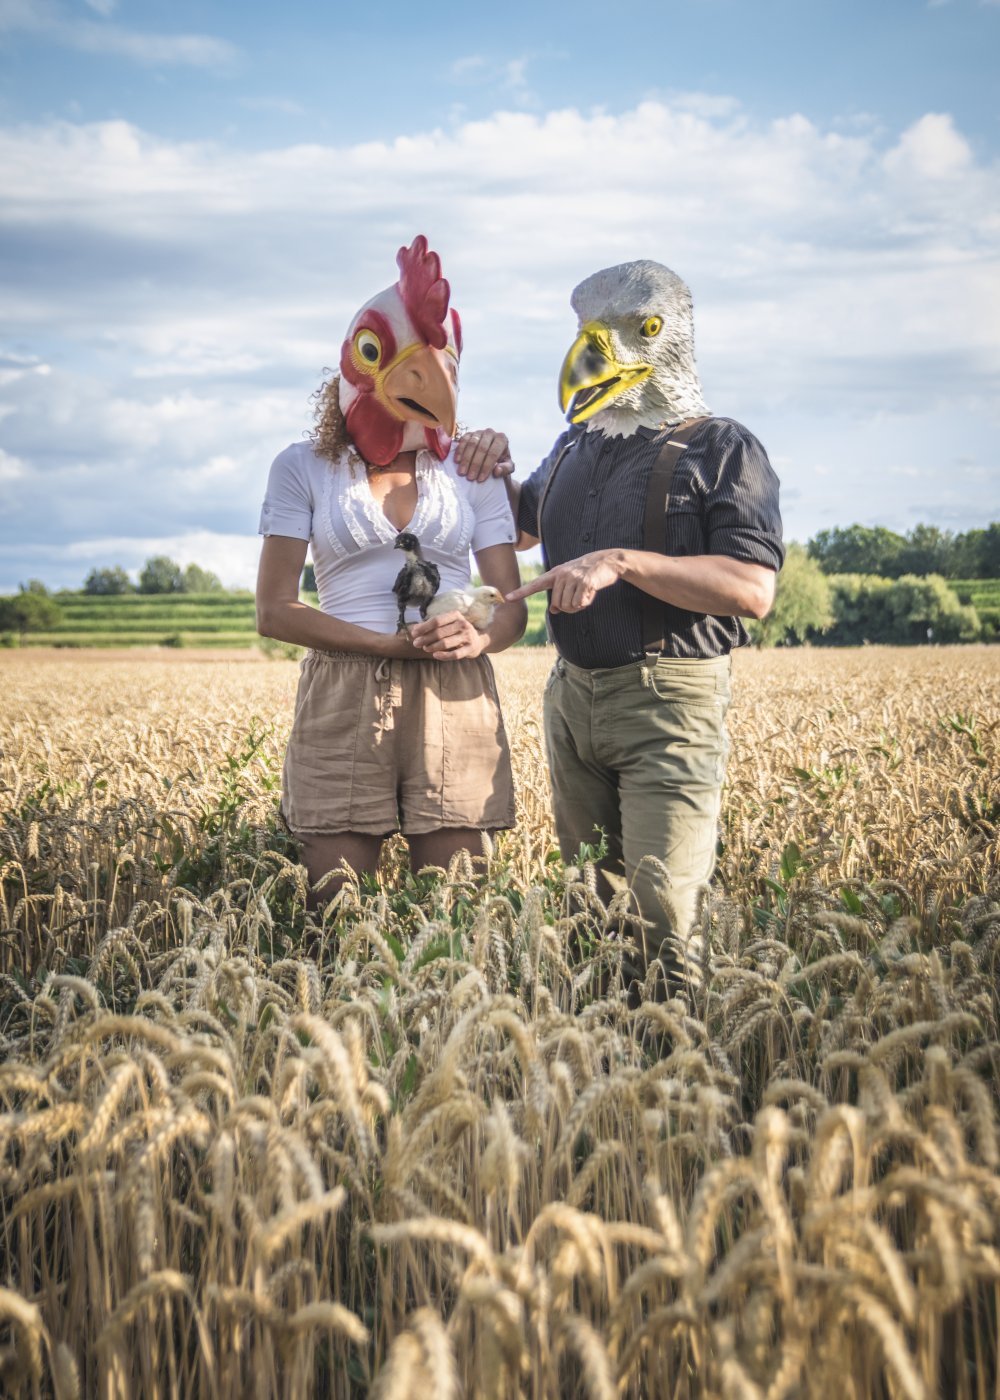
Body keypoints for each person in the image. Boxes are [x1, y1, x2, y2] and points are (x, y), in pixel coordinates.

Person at [455, 258, 783, 991]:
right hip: (573, 700)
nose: (599, 350)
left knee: (665, 912)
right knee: (593, 914)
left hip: (668, 702)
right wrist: (490, 464)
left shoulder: (725, 448)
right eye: (590, 332)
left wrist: (622, 562)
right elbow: (517, 526)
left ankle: (684, 1075)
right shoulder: (578, 444)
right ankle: (610, 1076)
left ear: (677, 339)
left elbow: (752, 588)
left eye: (642, 331)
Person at [256, 236, 526, 904]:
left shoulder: (471, 468)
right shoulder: (303, 467)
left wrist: (480, 635)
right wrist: (384, 645)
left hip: (454, 689)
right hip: (345, 689)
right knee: (332, 913)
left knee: (459, 914)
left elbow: (511, 604)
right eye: (385, 354)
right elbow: (274, 610)